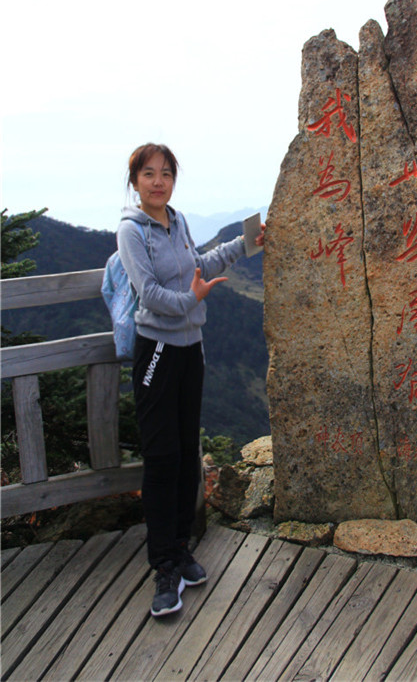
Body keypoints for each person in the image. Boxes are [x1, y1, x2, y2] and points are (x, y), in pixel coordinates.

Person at [117, 142, 264, 618]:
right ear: (135, 182)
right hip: (157, 352)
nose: (158, 182)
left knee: (184, 454)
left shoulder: (176, 222)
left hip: (189, 352)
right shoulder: (131, 231)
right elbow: (149, 294)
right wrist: (192, 300)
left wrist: (245, 243)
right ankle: (163, 566)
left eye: (166, 173)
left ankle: (180, 549)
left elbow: (199, 265)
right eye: (149, 174)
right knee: (161, 457)